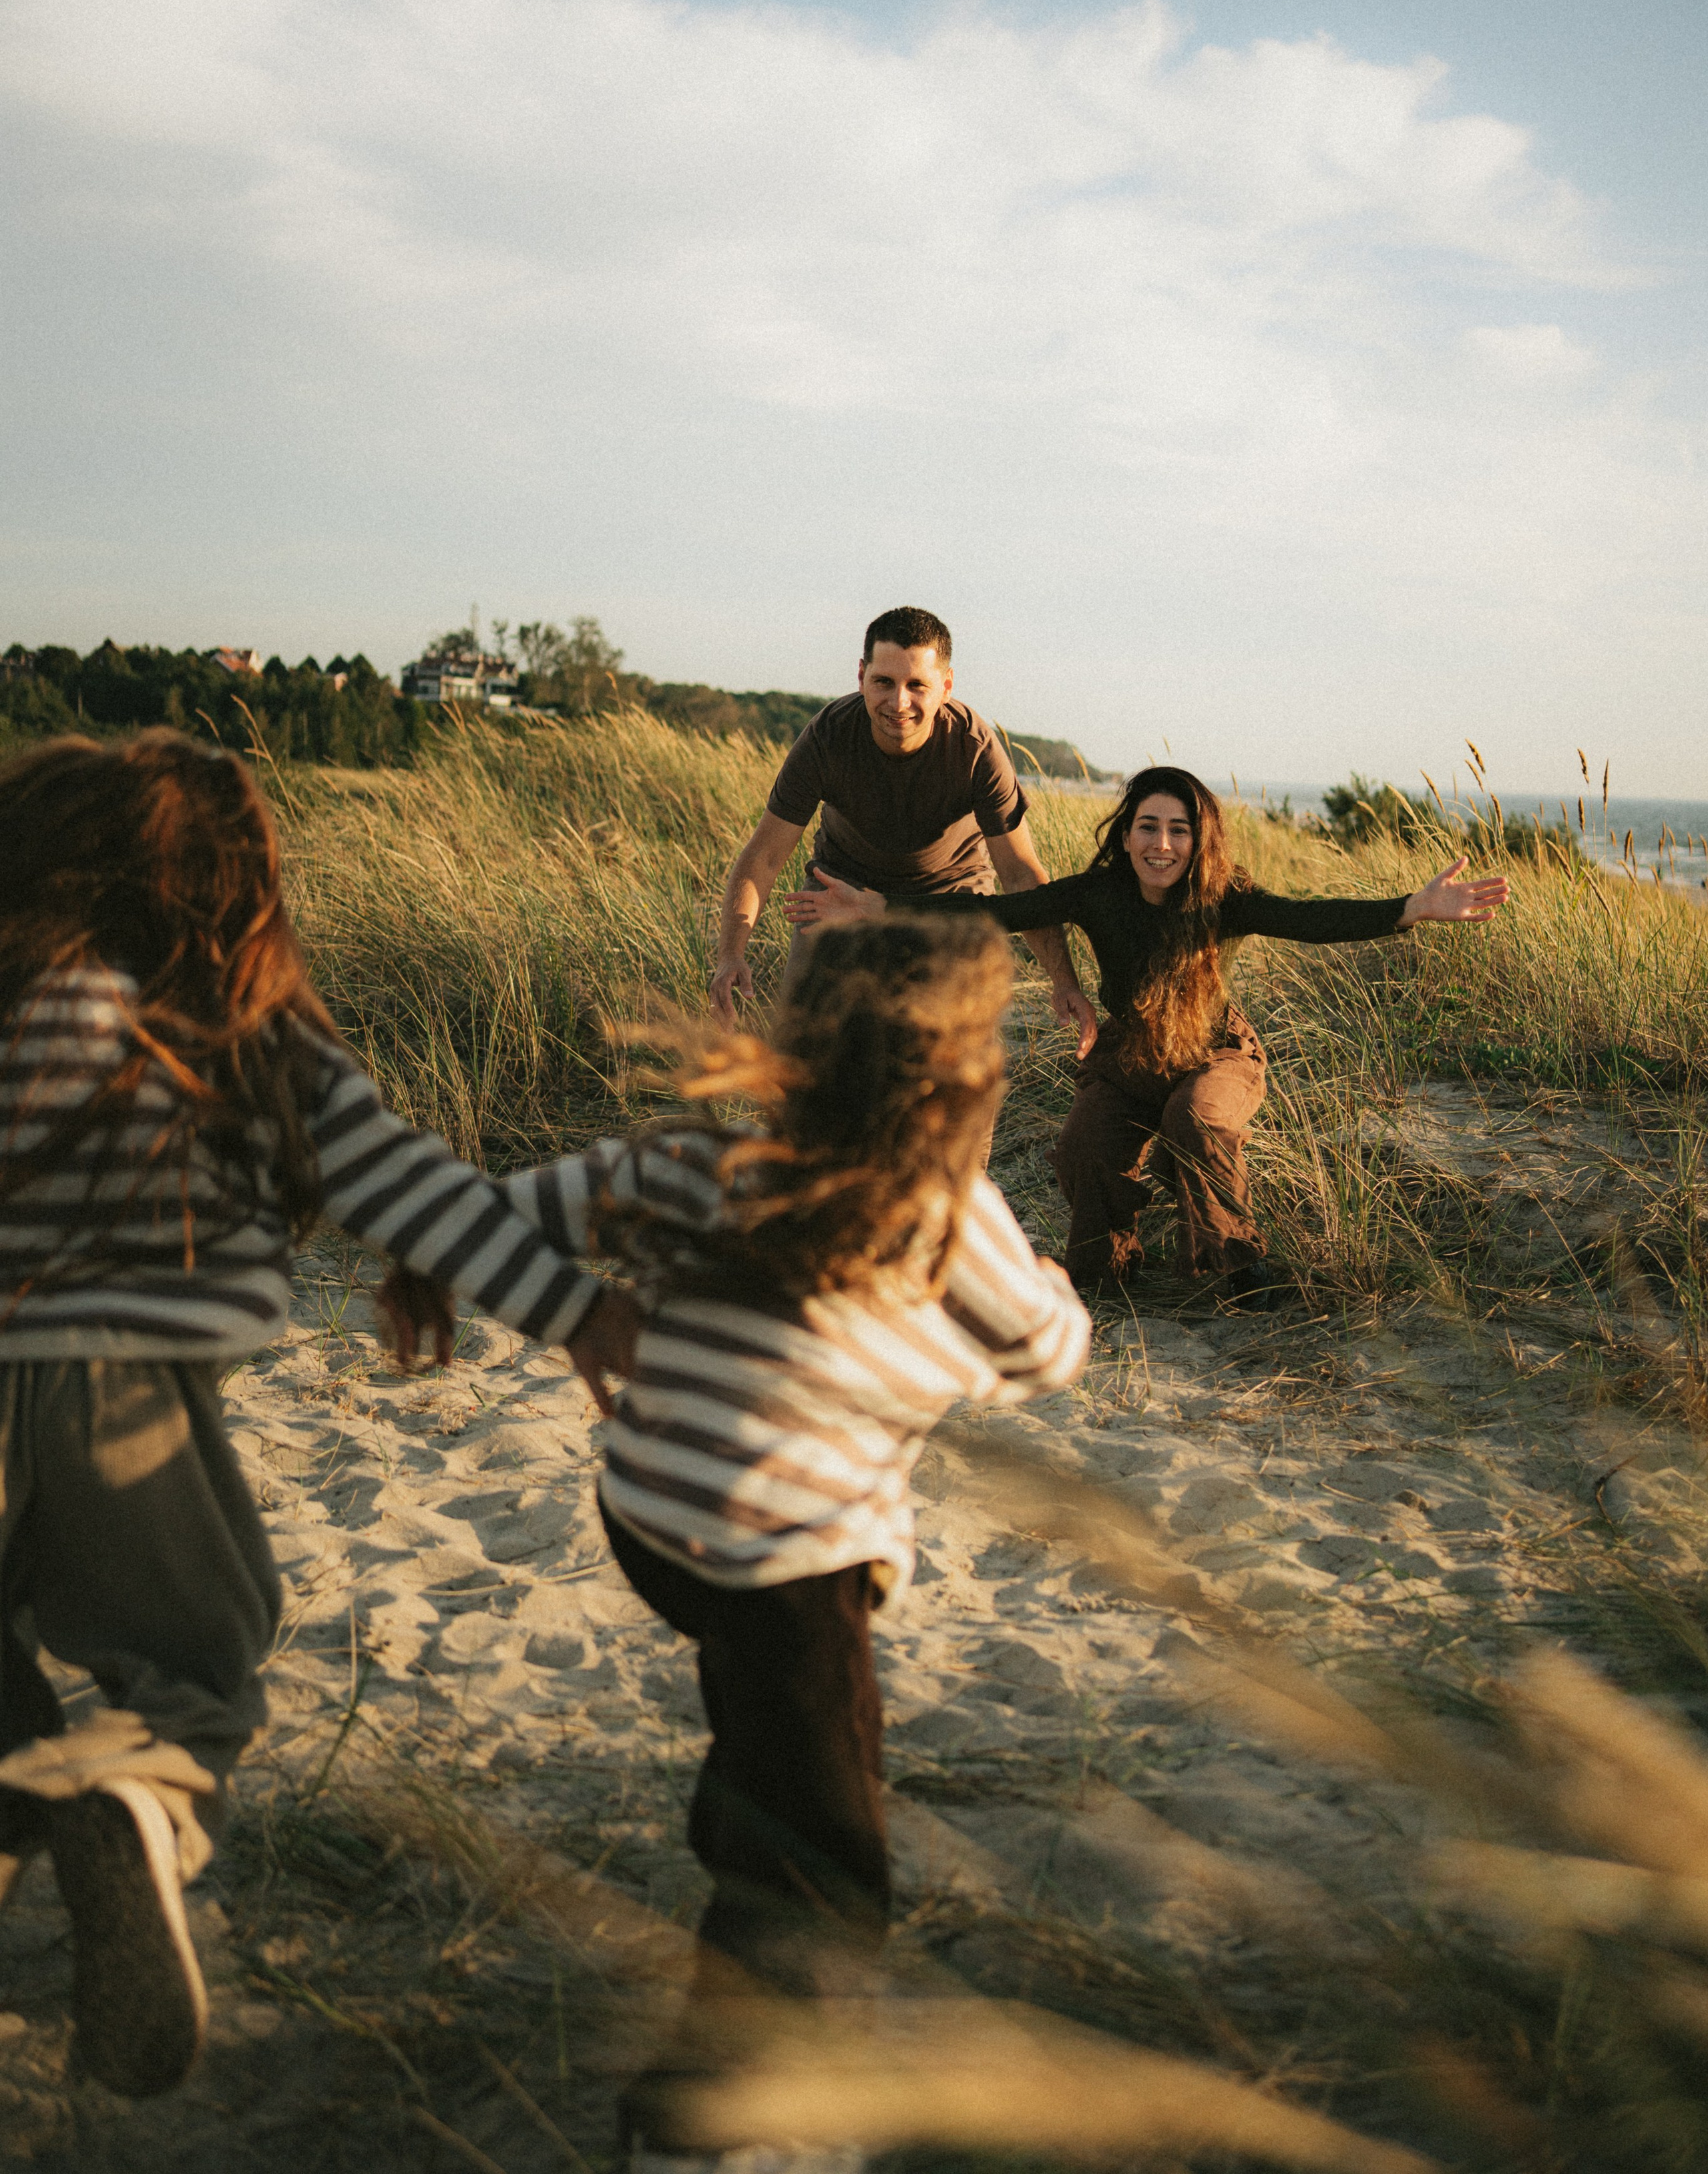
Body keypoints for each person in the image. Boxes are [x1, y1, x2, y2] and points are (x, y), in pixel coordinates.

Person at [0, 730, 644, 2099]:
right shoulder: (248, 1025)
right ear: (237, 886)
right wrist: (574, 1308)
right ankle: (144, 1804)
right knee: (200, 1651)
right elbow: (406, 1185)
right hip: (117, 1391)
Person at [509, 914, 1090, 2171]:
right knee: (826, 1871)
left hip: (648, 1513)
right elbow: (1048, 1351)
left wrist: (575, 1312)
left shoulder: (699, 1165)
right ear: (963, 1072)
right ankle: (712, 2129)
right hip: (786, 1554)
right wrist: (1046, 1270)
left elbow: (493, 1216)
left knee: (800, 1728)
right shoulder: (949, 1212)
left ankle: (752, 1802)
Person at [786, 764, 1508, 1306]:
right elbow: (997, 912)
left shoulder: (1223, 897)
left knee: (1194, 1119)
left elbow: (1311, 919)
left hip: (1215, 1054)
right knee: (1081, 1151)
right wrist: (877, 905)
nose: (1161, 844)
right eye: (1148, 827)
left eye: (1179, 830)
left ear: (1199, 840)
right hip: (1128, 1056)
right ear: (1126, 833)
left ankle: (1238, 1268)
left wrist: (1413, 907)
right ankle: (1111, 1268)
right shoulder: (1095, 892)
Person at [708, 606, 1094, 1052]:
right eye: (884, 682)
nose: (898, 703)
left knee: (960, 1065)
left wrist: (1064, 981)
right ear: (861, 675)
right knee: (804, 1056)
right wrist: (731, 955)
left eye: (917, 686)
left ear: (946, 687)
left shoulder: (975, 750)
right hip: (842, 888)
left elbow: (1022, 873)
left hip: (950, 897)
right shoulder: (828, 737)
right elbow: (766, 855)